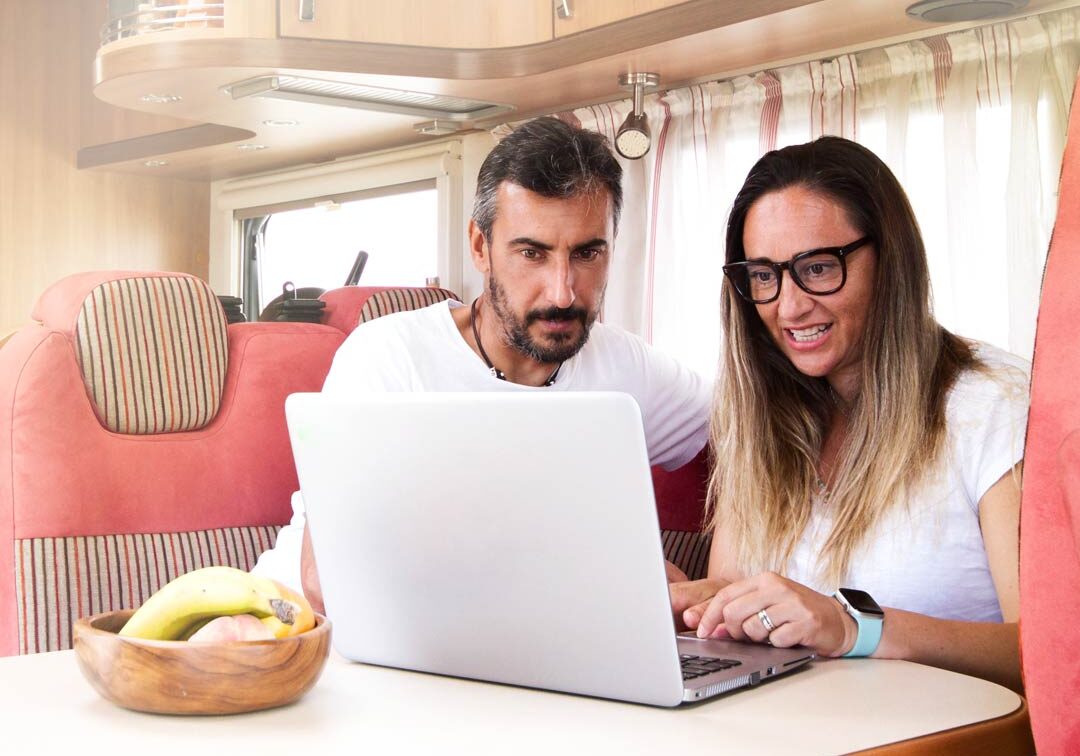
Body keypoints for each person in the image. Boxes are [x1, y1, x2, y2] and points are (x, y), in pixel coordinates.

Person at [253, 117, 711, 611]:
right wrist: (611, 577)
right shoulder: (388, 359)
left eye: (586, 253)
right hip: (302, 641)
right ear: (480, 247)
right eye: (532, 253)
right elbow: (327, 580)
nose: (562, 292)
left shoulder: (627, 368)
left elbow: (751, 422)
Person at [671, 136, 1027, 691]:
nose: (788, 306)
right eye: (763, 275)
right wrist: (698, 606)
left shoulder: (993, 406)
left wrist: (853, 629)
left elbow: (1050, 655)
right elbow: (738, 600)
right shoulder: (759, 419)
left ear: (891, 260)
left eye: (816, 268)